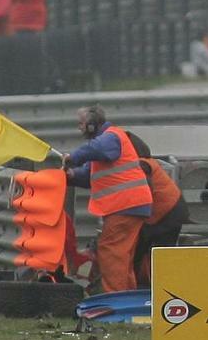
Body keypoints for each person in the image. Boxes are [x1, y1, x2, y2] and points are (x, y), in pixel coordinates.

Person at [63, 106, 152, 293]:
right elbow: (88, 175)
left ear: (91, 125)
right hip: (131, 205)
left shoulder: (111, 137)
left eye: (81, 123)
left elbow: (96, 150)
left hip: (125, 205)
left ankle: (116, 299)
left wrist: (73, 157)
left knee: (111, 251)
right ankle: (126, 296)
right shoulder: (104, 144)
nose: (79, 128)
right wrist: (70, 175)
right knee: (122, 254)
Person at [124, 132, 190, 288]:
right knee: (159, 253)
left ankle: (152, 287)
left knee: (145, 253)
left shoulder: (140, 165)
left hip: (166, 214)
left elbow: (143, 191)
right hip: (173, 210)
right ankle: (159, 286)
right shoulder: (147, 162)